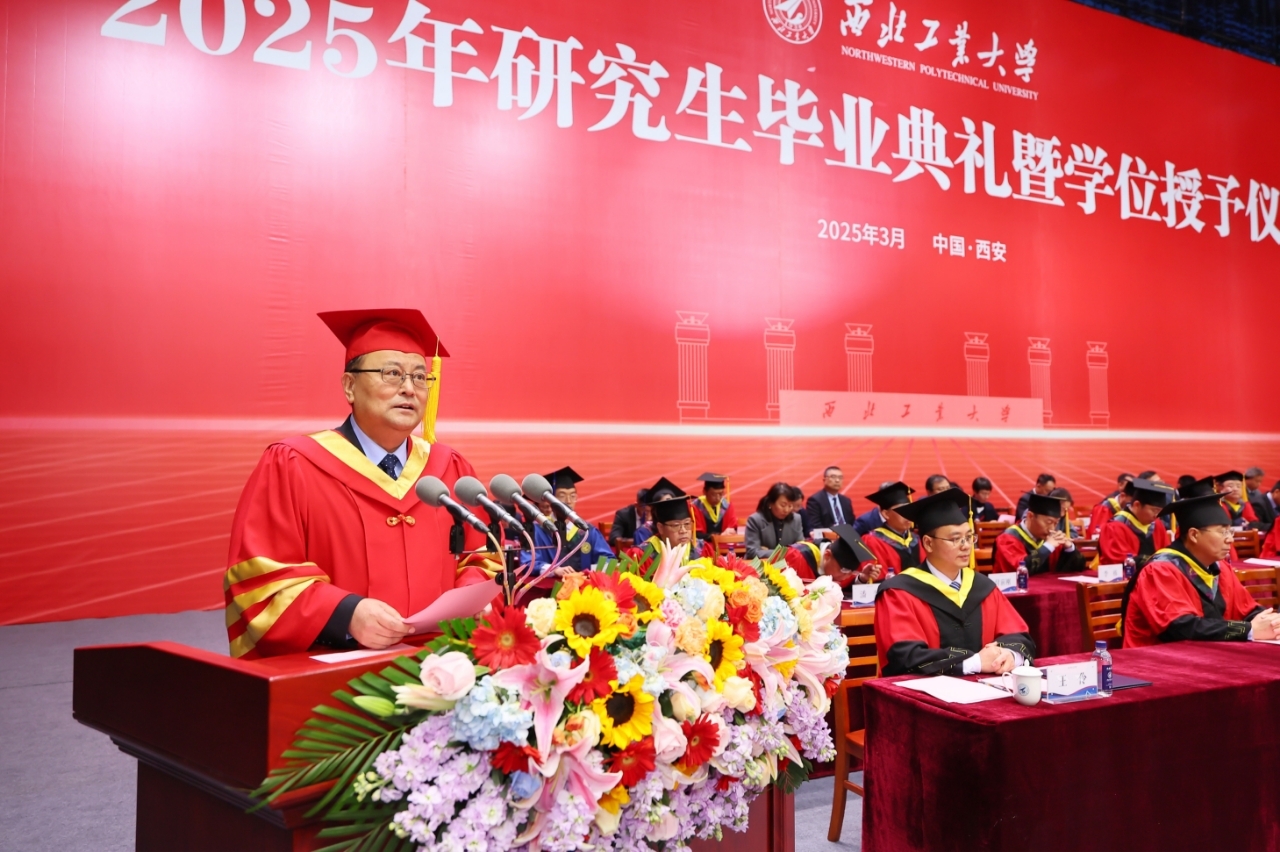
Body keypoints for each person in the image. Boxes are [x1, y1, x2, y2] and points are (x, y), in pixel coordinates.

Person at [223, 309, 492, 659]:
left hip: (442, 663)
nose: (409, 388)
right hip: (334, 667)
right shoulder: (293, 465)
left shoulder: (450, 468)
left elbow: (483, 557)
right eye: (392, 373)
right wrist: (345, 615)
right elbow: (261, 576)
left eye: (419, 377)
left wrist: (470, 597)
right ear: (350, 386)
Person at [874, 489, 1036, 676]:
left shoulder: (982, 587)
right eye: (955, 539)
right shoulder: (898, 592)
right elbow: (904, 657)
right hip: (925, 692)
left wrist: (1009, 654)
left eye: (969, 537)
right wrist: (974, 663)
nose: (966, 546)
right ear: (928, 543)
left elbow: (1019, 636)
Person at [1120, 494, 1280, 647]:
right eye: (1222, 532)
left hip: (1208, 654)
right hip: (1156, 659)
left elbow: (1247, 609)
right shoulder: (1160, 570)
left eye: (1230, 531)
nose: (1230, 539)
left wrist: (1272, 622)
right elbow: (1180, 627)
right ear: (1194, 535)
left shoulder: (1220, 567)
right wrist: (1246, 630)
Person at [522, 467, 613, 574]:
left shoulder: (587, 531)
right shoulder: (537, 529)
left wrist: (587, 573)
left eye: (573, 496)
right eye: (562, 496)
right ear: (550, 500)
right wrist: (554, 570)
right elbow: (527, 563)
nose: (569, 501)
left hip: (583, 583)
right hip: (551, 584)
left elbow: (609, 560)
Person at [993, 493, 1085, 575]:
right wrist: (1047, 547)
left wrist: (1069, 548)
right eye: (1049, 522)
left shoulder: (1051, 540)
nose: (1052, 529)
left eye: (1056, 523)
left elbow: (1077, 568)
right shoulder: (1007, 538)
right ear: (1030, 516)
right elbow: (1021, 569)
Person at [785, 525, 882, 594]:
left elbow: (845, 584)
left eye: (851, 573)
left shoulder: (839, 568)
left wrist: (863, 577)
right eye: (844, 571)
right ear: (827, 555)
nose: (845, 577)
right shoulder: (793, 556)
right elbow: (775, 576)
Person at [1098, 479, 1173, 566]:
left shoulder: (1157, 524)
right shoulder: (1115, 526)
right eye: (1154, 510)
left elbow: (1166, 553)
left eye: (1160, 511)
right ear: (1137, 505)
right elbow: (1118, 561)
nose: (1157, 515)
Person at [860, 482, 924, 572]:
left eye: (909, 509)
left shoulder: (916, 538)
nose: (908, 514)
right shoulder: (873, 541)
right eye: (902, 510)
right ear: (886, 514)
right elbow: (877, 576)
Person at [745, 482, 804, 558]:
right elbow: (752, 552)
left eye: (790, 506)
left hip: (788, 564)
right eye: (783, 505)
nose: (786, 510)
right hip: (762, 564)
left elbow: (801, 548)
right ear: (770, 503)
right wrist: (787, 552)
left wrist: (766, 551)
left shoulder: (796, 519)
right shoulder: (755, 520)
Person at [692, 472, 738, 542]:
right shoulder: (696, 507)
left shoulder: (727, 506)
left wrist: (731, 531)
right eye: (713, 494)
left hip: (723, 543)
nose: (717, 498)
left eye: (721, 494)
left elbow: (733, 527)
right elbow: (696, 534)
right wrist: (718, 536)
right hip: (703, 545)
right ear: (704, 492)